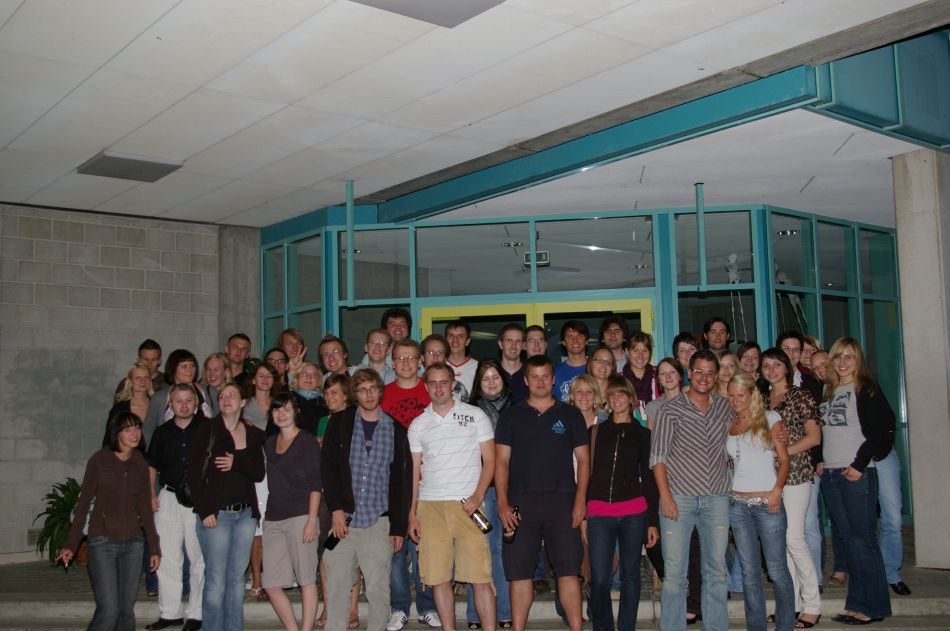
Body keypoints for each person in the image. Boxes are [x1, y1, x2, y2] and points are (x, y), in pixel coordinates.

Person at [495, 355, 590, 631]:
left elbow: (584, 460)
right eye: (534, 377)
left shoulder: (570, 414)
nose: (540, 381)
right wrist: (502, 502)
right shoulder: (511, 416)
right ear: (526, 380)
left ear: (553, 379)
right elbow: (500, 462)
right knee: (519, 573)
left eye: (545, 376)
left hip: (563, 502)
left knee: (568, 571)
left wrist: (580, 501)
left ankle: (576, 628)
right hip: (520, 504)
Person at [320, 369, 412, 631]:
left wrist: (398, 527)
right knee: (336, 585)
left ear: (380, 391)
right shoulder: (340, 423)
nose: (368, 394)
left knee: (378, 589)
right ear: (354, 394)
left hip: (378, 521)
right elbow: (328, 468)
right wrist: (336, 509)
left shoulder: (396, 429)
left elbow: (401, 483)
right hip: (344, 520)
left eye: (373, 388)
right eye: (362, 390)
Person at [408, 363, 497, 631]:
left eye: (443, 382)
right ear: (426, 387)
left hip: (469, 506)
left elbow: (491, 460)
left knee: (481, 576)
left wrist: (478, 495)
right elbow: (414, 472)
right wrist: (411, 514)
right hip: (430, 508)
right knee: (438, 577)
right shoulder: (418, 424)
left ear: (453, 384)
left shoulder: (475, 415)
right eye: (433, 383)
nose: (438, 388)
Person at [650, 350, 732, 631]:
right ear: (689, 373)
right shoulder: (670, 410)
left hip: (717, 498)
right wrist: (665, 497)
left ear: (716, 376)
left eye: (710, 372)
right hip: (679, 498)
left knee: (716, 571)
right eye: (699, 371)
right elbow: (658, 458)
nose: (704, 377)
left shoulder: (725, 407)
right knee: (674, 573)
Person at [57, 411, 161, 631]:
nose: (134, 433)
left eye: (137, 427)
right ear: (116, 433)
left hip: (133, 544)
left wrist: (154, 547)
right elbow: (83, 504)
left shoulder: (140, 462)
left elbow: (145, 507)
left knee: (126, 611)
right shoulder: (99, 460)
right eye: (127, 429)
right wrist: (70, 544)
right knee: (108, 610)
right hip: (102, 542)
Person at [821, 338, 894, 625]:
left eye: (849, 357)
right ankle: (856, 604)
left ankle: (873, 607)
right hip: (831, 474)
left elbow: (883, 429)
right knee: (850, 541)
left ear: (858, 360)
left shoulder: (866, 388)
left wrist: (860, 463)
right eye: (838, 356)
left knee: (863, 541)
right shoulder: (828, 390)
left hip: (856, 474)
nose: (842, 362)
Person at [188, 382, 266, 631]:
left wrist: (237, 461)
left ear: (243, 402)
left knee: (235, 578)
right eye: (222, 396)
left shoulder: (253, 434)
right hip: (217, 514)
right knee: (216, 579)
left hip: (245, 515)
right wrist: (205, 511)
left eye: (232, 395)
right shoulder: (207, 430)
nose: (226, 399)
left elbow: (258, 473)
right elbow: (193, 475)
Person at [584, 376, 659, 631]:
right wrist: (583, 513)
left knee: (630, 575)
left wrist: (652, 521)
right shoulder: (595, 432)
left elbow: (649, 479)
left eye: (621, 394)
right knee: (600, 577)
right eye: (612, 394)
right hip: (599, 512)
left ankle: (627, 627)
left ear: (631, 399)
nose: (616, 399)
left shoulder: (643, 435)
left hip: (634, 512)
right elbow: (585, 475)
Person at [726, 372, 795, 631]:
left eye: (740, 395)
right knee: (749, 573)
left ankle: (785, 625)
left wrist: (777, 490)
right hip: (737, 505)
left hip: (768, 504)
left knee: (776, 570)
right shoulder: (730, 423)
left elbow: (784, 460)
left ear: (752, 394)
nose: (735, 400)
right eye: (731, 396)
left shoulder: (770, 418)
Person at [761, 348, 822, 628]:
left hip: (796, 475)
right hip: (769, 479)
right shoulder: (762, 400)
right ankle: (791, 604)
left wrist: (784, 453)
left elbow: (814, 437)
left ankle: (812, 605)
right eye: (766, 366)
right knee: (781, 544)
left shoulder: (801, 396)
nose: (771, 370)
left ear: (786, 367)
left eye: (776, 365)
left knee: (795, 540)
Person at [381, 340, 440, 631]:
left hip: (428, 481)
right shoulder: (382, 394)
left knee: (424, 550)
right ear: (392, 362)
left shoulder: (431, 391)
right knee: (395, 548)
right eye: (400, 358)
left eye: (411, 358)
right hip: (391, 483)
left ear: (420, 361)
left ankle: (427, 605)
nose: (405, 363)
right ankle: (399, 607)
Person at [146, 384, 206, 631]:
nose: (183, 405)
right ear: (170, 404)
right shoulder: (162, 432)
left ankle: (196, 613)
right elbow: (152, 464)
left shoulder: (207, 429)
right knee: (168, 556)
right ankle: (170, 612)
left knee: (199, 558)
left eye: (188, 400)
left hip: (198, 500)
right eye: (178, 401)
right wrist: (151, 492)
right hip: (168, 497)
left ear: (196, 403)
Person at [262, 392, 322, 631]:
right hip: (274, 517)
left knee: (306, 578)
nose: (281, 414)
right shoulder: (269, 443)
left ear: (296, 412)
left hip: (301, 515)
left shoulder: (307, 441)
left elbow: (316, 483)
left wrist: (311, 520)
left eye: (286, 409)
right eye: (277, 410)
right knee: (271, 583)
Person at [465, 359, 514, 630]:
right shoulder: (469, 411)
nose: (492, 383)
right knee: (477, 549)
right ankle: (475, 615)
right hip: (478, 490)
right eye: (486, 378)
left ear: (503, 380)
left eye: (496, 377)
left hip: (506, 489)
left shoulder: (516, 409)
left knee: (501, 549)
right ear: (478, 383)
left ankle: (504, 611)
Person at [314, 374, 361, 630]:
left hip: (350, 495)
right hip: (325, 494)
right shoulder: (324, 421)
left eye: (334, 392)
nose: (329, 397)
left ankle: (352, 608)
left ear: (346, 395)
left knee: (351, 551)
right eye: (326, 393)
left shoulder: (357, 418)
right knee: (327, 551)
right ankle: (329, 606)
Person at [242, 361, 278, 601]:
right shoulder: (243, 406)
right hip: (253, 472)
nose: (265, 379)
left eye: (269, 375)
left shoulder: (280, 405)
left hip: (278, 471)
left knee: (273, 527)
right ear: (253, 379)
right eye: (261, 375)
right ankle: (256, 579)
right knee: (257, 529)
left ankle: (272, 578)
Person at [144, 349, 204, 446]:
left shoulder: (209, 393)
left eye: (192, 365)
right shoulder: (159, 398)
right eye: (184, 366)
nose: (190, 370)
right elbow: (148, 430)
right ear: (173, 368)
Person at [106, 362, 154, 448]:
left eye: (146, 377)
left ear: (150, 381)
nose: (142, 381)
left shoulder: (158, 406)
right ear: (130, 381)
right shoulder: (119, 409)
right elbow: (109, 439)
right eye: (138, 378)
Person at [554, 320, 590, 402]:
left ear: (587, 341)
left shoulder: (596, 369)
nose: (575, 340)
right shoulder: (554, 372)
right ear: (563, 342)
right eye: (570, 336)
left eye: (580, 335)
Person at [621, 332, 659, 405]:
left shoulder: (659, 377)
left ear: (650, 353)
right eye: (635, 351)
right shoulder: (619, 381)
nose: (640, 356)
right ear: (627, 352)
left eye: (645, 351)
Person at [293, 362, 328, 437]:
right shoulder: (288, 398)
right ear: (297, 377)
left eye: (314, 375)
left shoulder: (325, 404)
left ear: (318, 380)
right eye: (304, 373)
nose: (309, 377)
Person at [446, 320, 478, 396]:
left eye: (460, 336)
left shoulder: (478, 367)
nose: (455, 340)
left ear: (467, 341)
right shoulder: (438, 366)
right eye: (451, 335)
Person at [497, 323, 527, 404]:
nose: (513, 346)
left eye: (518, 341)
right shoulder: (492, 373)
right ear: (500, 344)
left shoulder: (531, 373)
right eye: (509, 341)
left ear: (523, 345)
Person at [201, 352, 231, 418]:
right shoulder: (200, 393)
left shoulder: (236, 393)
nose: (212, 373)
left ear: (226, 372)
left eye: (216, 369)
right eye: (208, 369)